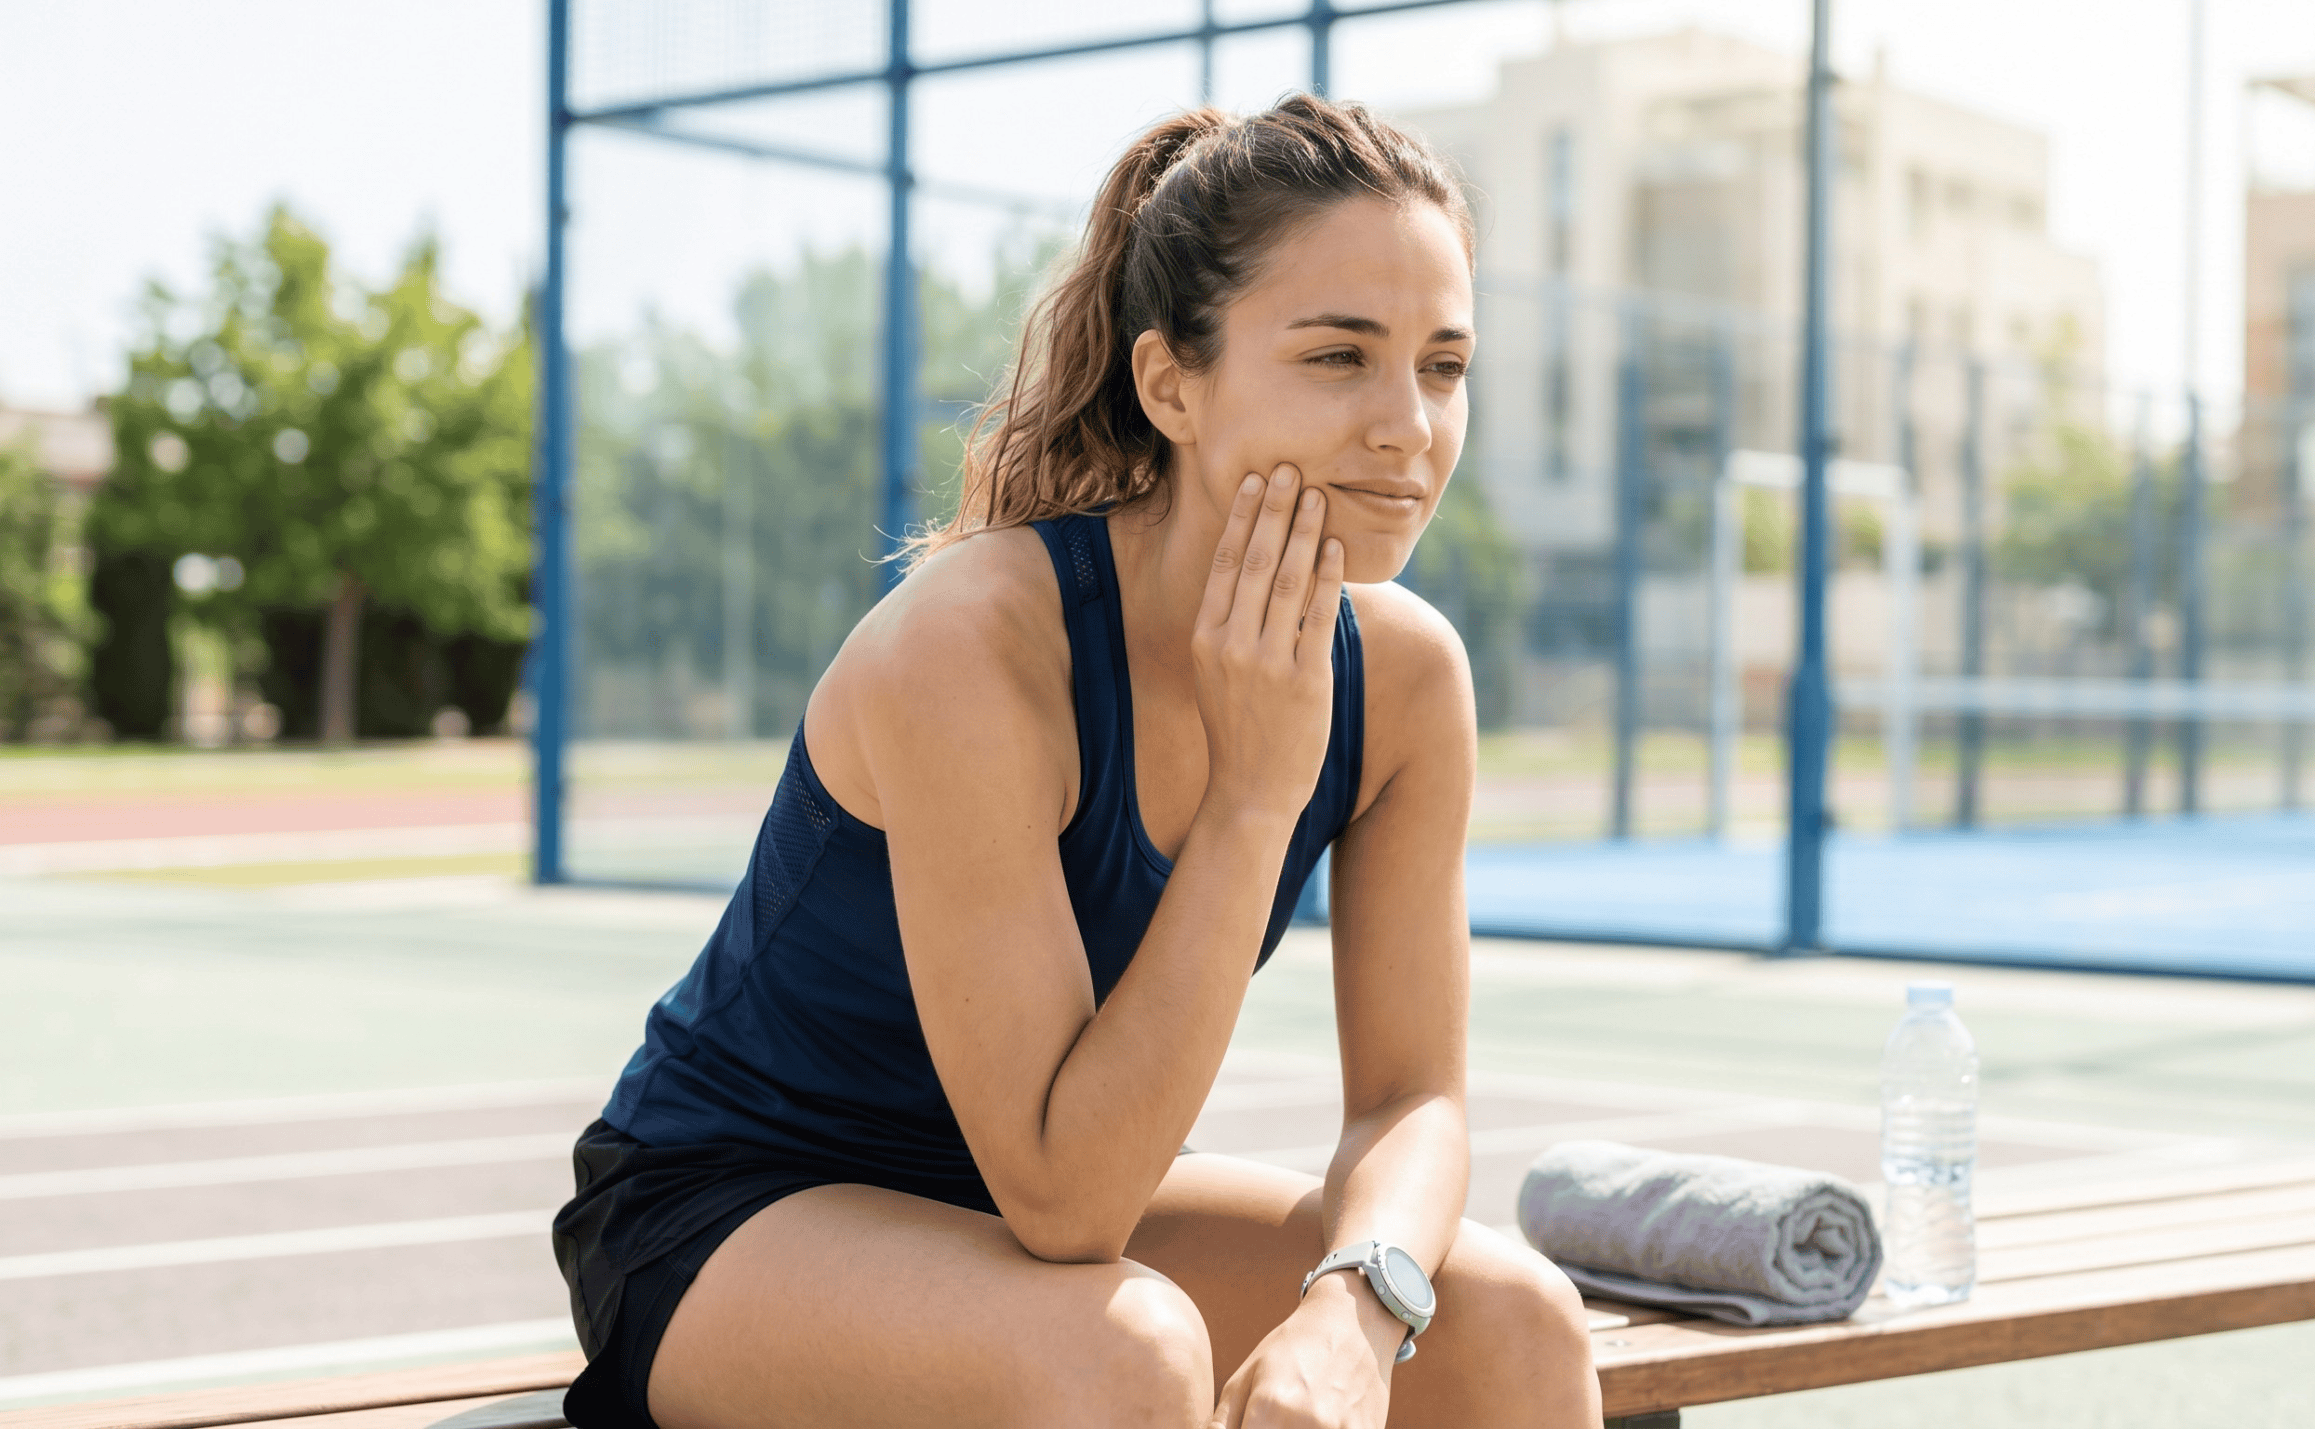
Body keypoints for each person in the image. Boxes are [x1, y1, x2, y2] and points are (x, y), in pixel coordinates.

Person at [552, 94, 1602, 1429]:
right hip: (737, 1210)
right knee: (1125, 1353)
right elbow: (1067, 1200)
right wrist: (1256, 797)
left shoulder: (1402, 677)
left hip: (1021, 1215)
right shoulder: (973, 649)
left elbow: (1411, 1099)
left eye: (1443, 367)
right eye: (1339, 357)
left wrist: (1355, 1306)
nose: (1408, 427)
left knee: (1518, 1328)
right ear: (1172, 384)